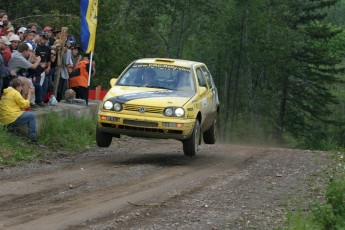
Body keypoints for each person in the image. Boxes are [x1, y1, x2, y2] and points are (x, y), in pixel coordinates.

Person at [0, 78, 43, 146]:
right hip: (10, 117)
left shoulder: (5, 92)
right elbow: (25, 105)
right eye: (21, 86)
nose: (22, 88)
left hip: (3, 119)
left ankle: (11, 132)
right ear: (17, 87)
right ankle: (33, 139)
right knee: (31, 116)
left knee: (23, 114)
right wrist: (29, 94)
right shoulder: (15, 93)